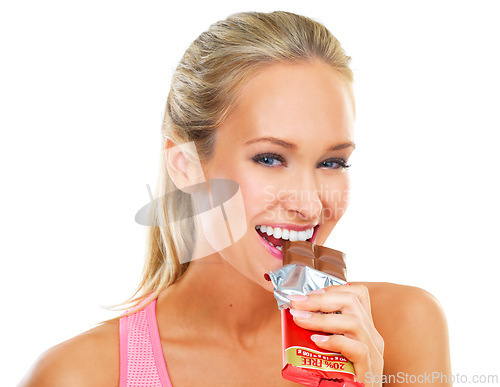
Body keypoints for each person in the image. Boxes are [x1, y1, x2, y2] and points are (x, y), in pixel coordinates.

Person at [19, 10, 451, 387]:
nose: (311, 205)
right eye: (270, 157)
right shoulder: (81, 375)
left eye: (332, 163)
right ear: (185, 164)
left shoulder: (401, 329)